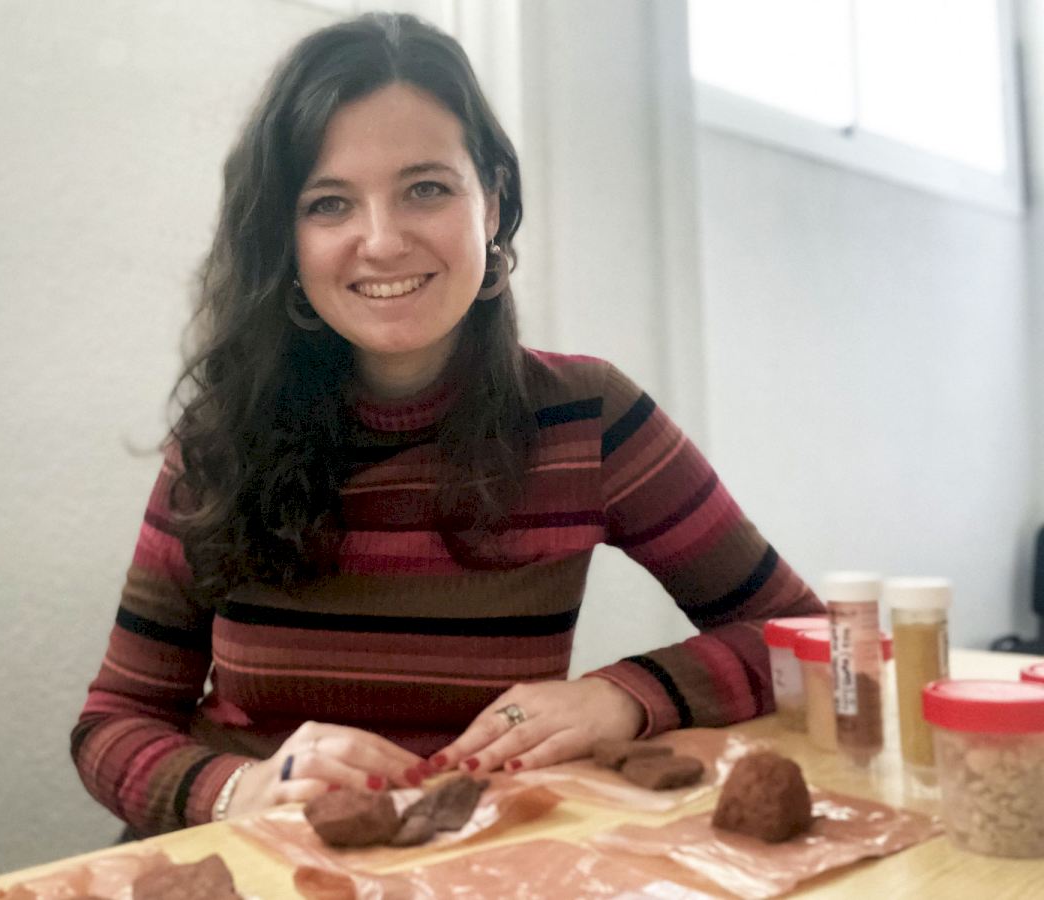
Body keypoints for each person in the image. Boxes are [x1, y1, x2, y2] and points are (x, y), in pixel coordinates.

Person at [71, 12, 823, 838]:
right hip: (253, 867)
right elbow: (114, 721)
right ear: (286, 239)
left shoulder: (588, 416)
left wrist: (622, 697)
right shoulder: (220, 437)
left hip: (477, 865)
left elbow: (805, 637)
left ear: (490, 205)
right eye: (329, 204)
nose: (382, 241)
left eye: (425, 188)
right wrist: (239, 789)